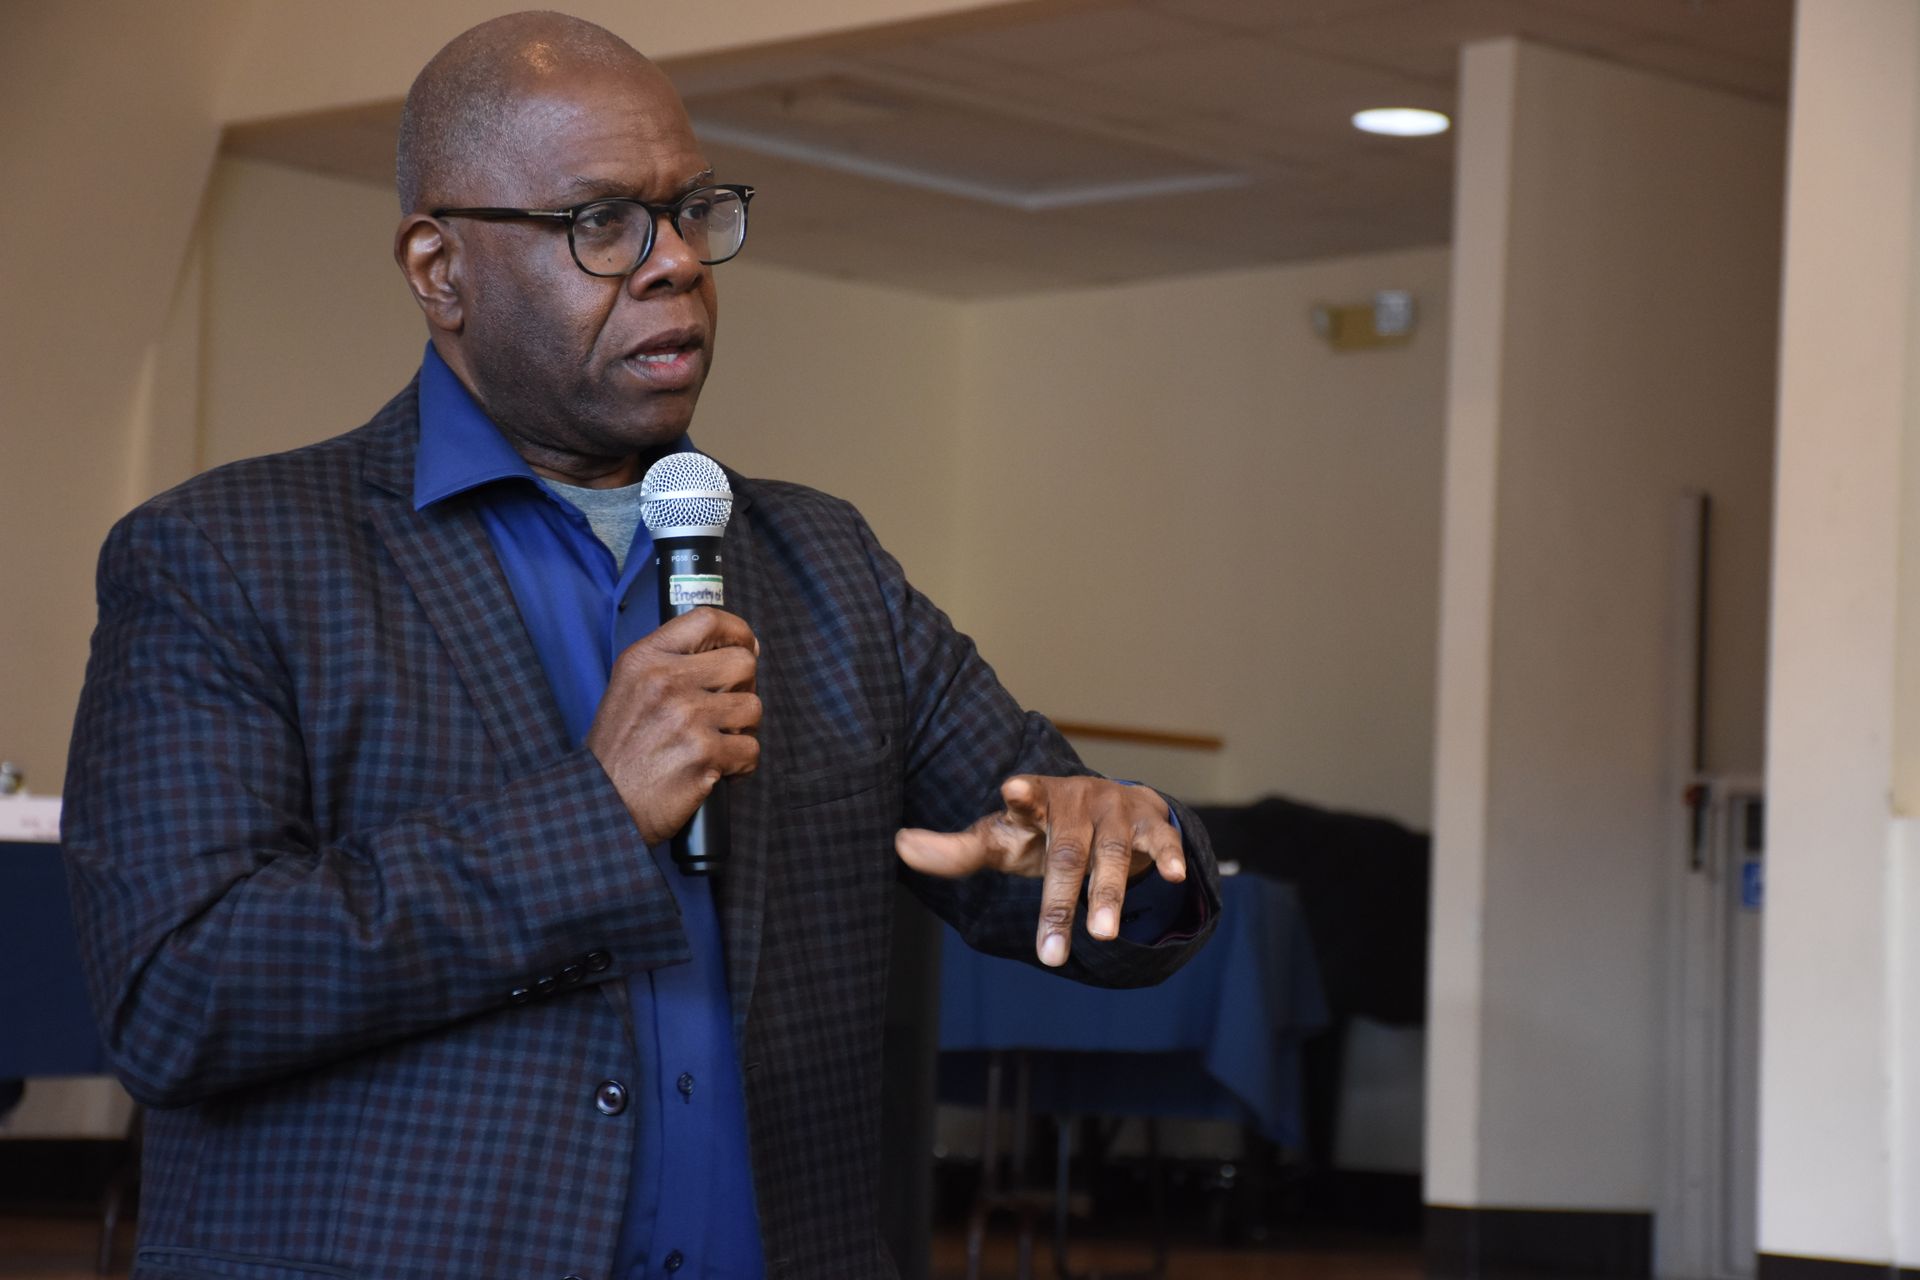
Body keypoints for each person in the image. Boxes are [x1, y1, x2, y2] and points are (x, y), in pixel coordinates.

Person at [62, 12, 1220, 1280]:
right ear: (439, 266)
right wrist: (595, 815)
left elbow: (1051, 841)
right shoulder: (228, 557)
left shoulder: (823, 562)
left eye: (691, 211)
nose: (673, 262)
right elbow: (177, 998)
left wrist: (1112, 845)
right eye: (601, 223)